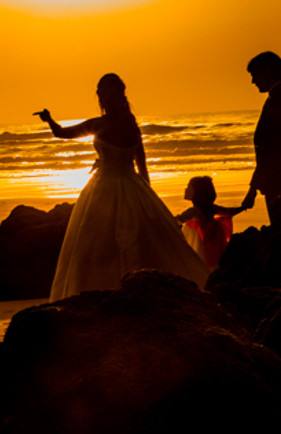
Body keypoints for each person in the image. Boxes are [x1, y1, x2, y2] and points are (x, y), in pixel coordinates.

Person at [35, 73, 210, 301]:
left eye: (104, 92)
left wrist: (49, 120)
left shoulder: (102, 124)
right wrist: (147, 197)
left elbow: (62, 133)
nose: (102, 96)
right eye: (101, 92)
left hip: (105, 185)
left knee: (100, 242)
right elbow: (142, 165)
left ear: (112, 95)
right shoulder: (130, 123)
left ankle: (110, 290)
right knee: (130, 241)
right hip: (130, 184)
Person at [241, 51, 281, 226]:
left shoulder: (280, 101)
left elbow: (270, 149)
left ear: (267, 71)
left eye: (254, 75)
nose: (253, 81)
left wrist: (252, 190)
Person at [176, 176, 245, 270]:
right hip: (211, 244)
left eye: (189, 187)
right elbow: (229, 211)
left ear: (196, 193)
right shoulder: (212, 208)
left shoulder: (194, 211)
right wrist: (243, 207)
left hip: (200, 244)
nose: (186, 190)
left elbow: (179, 219)